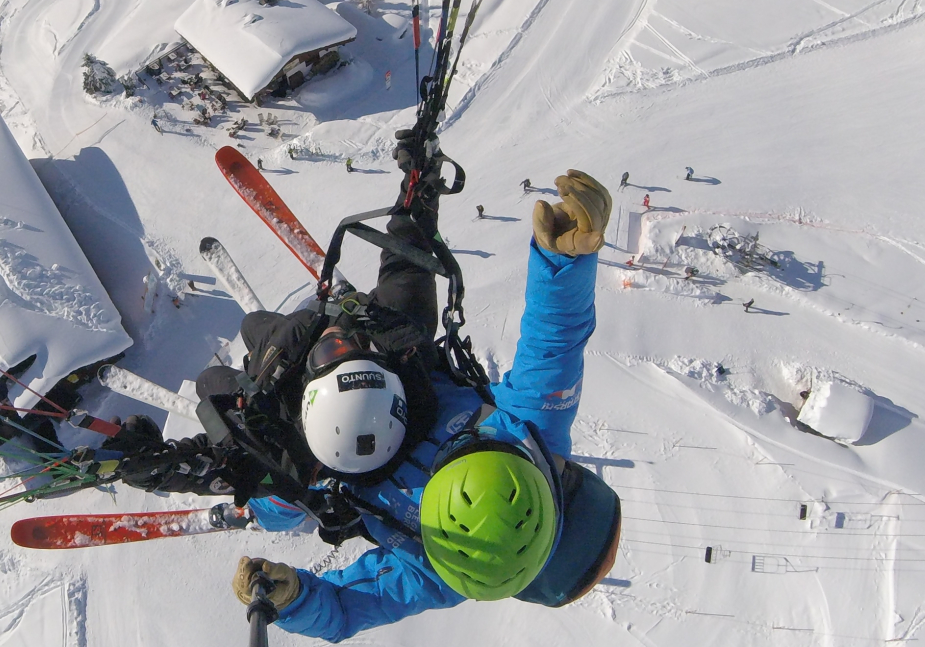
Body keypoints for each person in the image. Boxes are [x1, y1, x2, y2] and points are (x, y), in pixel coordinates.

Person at [96, 135, 622, 641]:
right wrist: (565, 258)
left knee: (248, 440)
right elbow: (554, 343)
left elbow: (349, 607)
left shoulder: (442, 570)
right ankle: (417, 190)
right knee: (407, 281)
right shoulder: (532, 434)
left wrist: (294, 598)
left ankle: (167, 463)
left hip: (325, 459)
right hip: (394, 365)